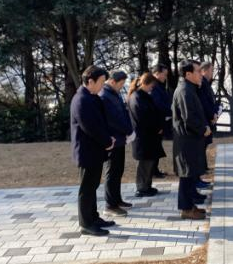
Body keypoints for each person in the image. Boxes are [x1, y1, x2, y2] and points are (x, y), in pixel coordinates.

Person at [70, 65, 116, 236]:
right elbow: (90, 127)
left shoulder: (91, 97)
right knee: (87, 188)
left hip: (94, 151)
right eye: (101, 82)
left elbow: (101, 122)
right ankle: (86, 223)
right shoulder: (81, 100)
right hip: (87, 152)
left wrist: (108, 138)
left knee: (93, 186)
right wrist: (107, 141)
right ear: (90, 81)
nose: (103, 85)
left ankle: (93, 217)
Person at [172, 60, 212, 220]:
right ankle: (186, 209)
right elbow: (189, 118)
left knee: (189, 175)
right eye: (197, 71)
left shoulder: (189, 88)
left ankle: (190, 206)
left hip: (191, 140)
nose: (201, 74)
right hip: (187, 141)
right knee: (186, 176)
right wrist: (203, 129)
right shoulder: (184, 91)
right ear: (188, 74)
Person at [99, 70, 134, 217]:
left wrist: (129, 130)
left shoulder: (113, 93)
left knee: (118, 171)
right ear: (113, 81)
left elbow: (123, 113)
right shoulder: (105, 95)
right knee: (112, 172)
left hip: (120, 139)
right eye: (121, 84)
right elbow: (113, 119)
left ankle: (117, 199)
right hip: (113, 140)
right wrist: (128, 130)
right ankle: (110, 205)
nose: (122, 86)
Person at [128, 72, 165, 197]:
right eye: (151, 86)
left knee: (149, 162)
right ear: (145, 83)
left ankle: (147, 185)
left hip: (149, 136)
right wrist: (156, 128)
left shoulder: (142, 96)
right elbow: (143, 117)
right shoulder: (137, 97)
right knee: (144, 164)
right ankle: (142, 188)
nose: (152, 88)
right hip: (143, 137)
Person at [197, 61, 219, 189]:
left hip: (208, 118)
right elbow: (204, 102)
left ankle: (203, 167)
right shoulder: (202, 84)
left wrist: (214, 113)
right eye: (211, 70)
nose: (212, 73)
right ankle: (201, 170)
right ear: (204, 71)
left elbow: (210, 101)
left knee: (203, 146)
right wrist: (212, 115)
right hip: (205, 120)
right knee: (201, 147)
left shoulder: (205, 83)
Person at [151, 64, 171, 178]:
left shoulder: (159, 85)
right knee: (155, 146)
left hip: (161, 120)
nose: (166, 77)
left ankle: (155, 169)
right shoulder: (154, 86)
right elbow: (157, 104)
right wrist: (170, 110)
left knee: (157, 146)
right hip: (156, 121)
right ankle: (153, 171)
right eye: (164, 74)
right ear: (157, 74)